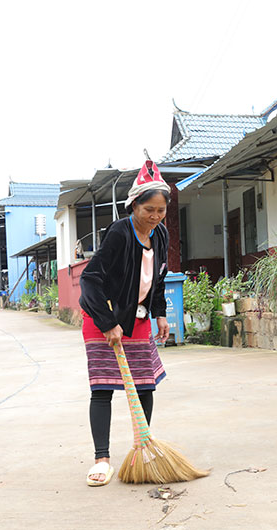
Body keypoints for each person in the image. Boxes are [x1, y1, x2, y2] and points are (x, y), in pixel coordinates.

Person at [79, 160, 171, 487]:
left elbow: (157, 280)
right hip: (102, 318)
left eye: (161, 210)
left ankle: (141, 446)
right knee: (103, 389)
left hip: (139, 321)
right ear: (134, 205)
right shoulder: (120, 232)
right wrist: (107, 323)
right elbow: (90, 279)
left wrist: (160, 312)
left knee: (145, 385)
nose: (155, 216)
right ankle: (101, 459)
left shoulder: (160, 234)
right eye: (149, 209)